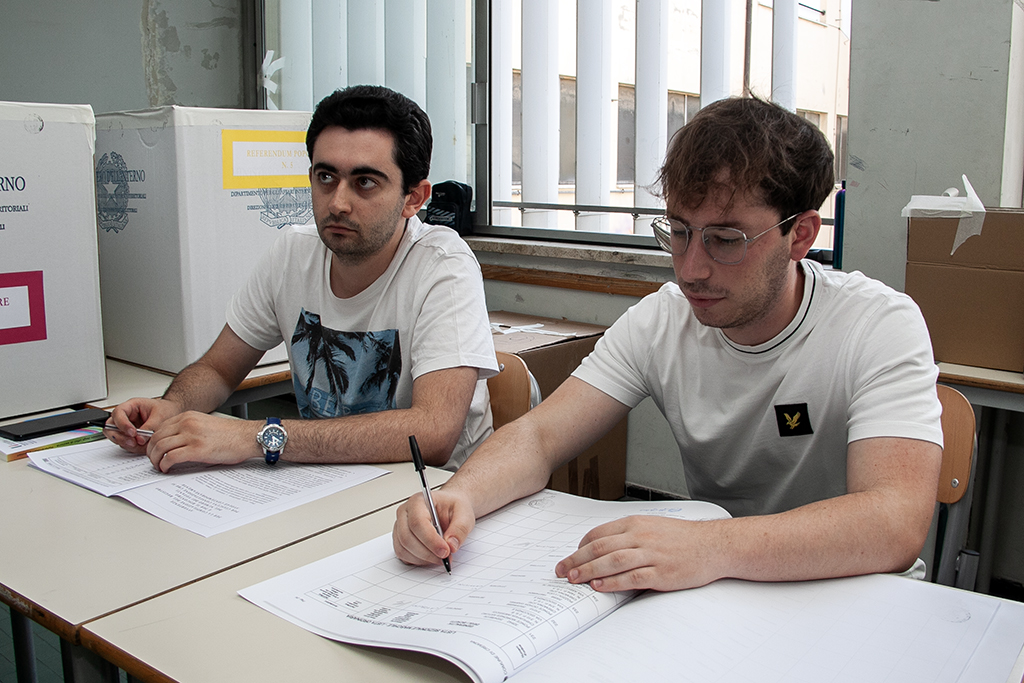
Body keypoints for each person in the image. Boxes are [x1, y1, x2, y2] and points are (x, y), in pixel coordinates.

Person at [393, 96, 943, 592]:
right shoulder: (663, 319)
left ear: (800, 235)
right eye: (679, 232)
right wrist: (461, 495)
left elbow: (894, 522)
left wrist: (711, 546)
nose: (691, 269)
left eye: (725, 239)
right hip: (725, 586)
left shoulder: (877, 325)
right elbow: (540, 438)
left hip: (858, 594)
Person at [106, 85, 497, 472]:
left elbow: (433, 433)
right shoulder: (293, 252)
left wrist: (255, 436)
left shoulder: (443, 265)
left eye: (364, 182)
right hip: (321, 479)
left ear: (414, 198)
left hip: (432, 491)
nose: (338, 203)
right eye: (326, 177)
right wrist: (172, 405)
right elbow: (218, 370)